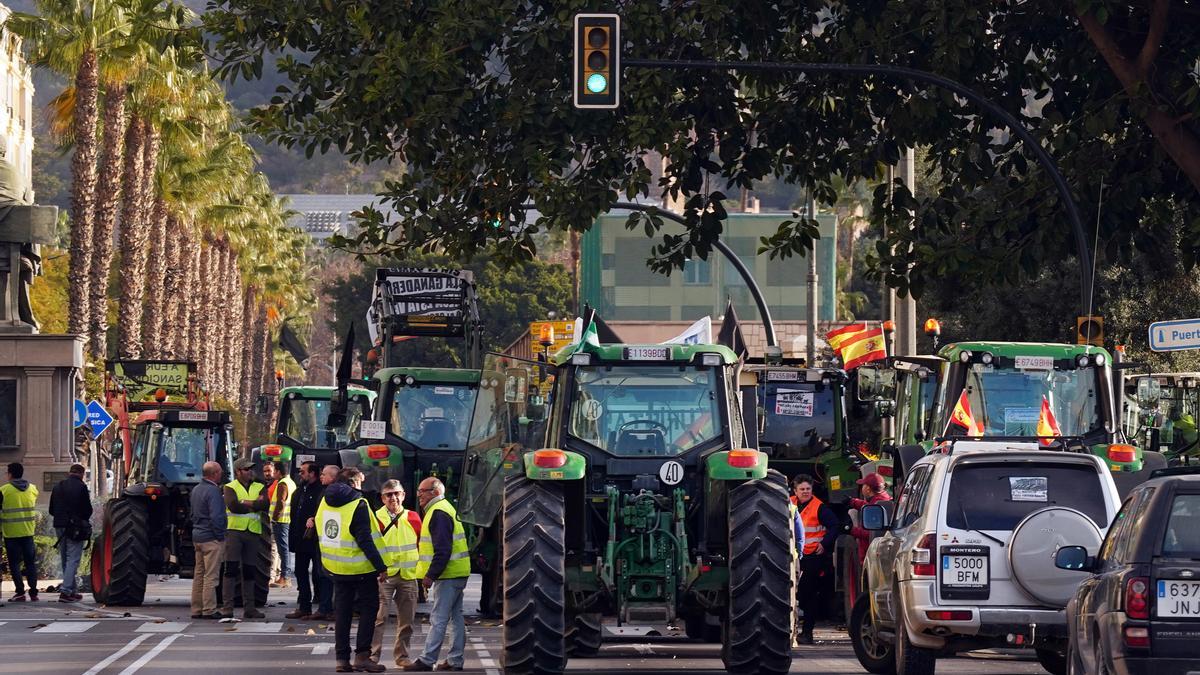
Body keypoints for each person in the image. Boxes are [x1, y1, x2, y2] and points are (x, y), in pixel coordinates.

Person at [319, 467, 388, 673]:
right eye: (360, 482)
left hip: (335, 567)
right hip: (360, 568)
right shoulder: (359, 504)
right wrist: (381, 566)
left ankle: (341, 660)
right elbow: (365, 540)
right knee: (368, 610)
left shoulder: (325, 499)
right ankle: (362, 657)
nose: (362, 486)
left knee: (342, 613)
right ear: (353, 482)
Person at [404, 477, 470, 672]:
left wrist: (430, 575)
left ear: (434, 491)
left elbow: (443, 549)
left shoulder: (438, 512)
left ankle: (427, 660)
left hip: (448, 575)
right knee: (455, 617)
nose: (419, 495)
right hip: (457, 572)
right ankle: (455, 660)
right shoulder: (444, 508)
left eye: (422, 491)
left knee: (439, 618)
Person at [371, 480, 423, 668]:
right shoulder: (375, 518)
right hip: (384, 576)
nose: (393, 498)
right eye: (388, 495)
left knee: (407, 621)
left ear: (403, 495)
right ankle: (372, 656)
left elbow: (422, 546)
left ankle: (402, 656)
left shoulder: (414, 517)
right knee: (379, 618)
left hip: (408, 575)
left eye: (396, 493)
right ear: (382, 498)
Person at [793, 474, 839, 645]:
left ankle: (807, 633)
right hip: (793, 557)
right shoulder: (789, 503)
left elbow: (835, 525)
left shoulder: (819, 507)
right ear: (795, 491)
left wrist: (825, 544)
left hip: (812, 558)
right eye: (802, 489)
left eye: (808, 489)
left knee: (807, 595)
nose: (805, 492)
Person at [222, 457, 270, 620]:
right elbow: (233, 505)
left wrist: (245, 502)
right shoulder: (229, 487)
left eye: (251, 469)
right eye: (246, 469)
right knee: (231, 570)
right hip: (235, 532)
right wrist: (254, 503)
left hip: (253, 533)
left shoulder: (260, 486)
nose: (250, 472)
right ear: (238, 472)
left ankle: (249, 608)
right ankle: (228, 608)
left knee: (250, 571)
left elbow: (265, 505)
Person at [287, 461, 334, 621]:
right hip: (301, 540)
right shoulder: (300, 491)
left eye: (303, 472)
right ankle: (304, 606)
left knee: (320, 574)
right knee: (300, 572)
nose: (300, 474)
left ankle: (323, 606)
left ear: (311, 473)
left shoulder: (322, 491)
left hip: (316, 541)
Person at [49, 463, 92, 602]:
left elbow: (51, 509)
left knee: (65, 559)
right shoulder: (81, 487)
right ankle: (66, 591)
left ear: (70, 472)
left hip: (59, 525)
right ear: (82, 474)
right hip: (75, 527)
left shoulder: (58, 486)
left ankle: (71, 590)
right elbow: (87, 510)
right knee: (73, 559)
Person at [190, 461, 227, 618]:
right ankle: (209, 609)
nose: (221, 474)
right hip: (211, 538)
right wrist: (220, 536)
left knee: (199, 574)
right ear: (214, 474)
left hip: (197, 536)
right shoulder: (213, 492)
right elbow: (217, 517)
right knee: (211, 576)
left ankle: (196, 608)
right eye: (219, 472)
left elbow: (192, 514)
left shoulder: (196, 490)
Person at [1, 462, 39, 601]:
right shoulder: (33, 489)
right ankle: (34, 593)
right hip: (28, 532)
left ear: (10, 474)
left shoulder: (4, 490)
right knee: (30, 564)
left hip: (11, 534)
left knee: (14, 564)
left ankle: (20, 592)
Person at [847, 473, 892, 564]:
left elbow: (871, 533)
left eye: (863, 485)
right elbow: (867, 506)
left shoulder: (876, 507)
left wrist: (851, 530)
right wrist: (853, 502)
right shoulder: (882, 499)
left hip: (871, 556)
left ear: (868, 489)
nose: (861, 488)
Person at [264, 461, 295, 588]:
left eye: (274, 471)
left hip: (281, 521)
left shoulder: (282, 484)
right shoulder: (291, 482)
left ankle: (285, 577)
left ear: (278, 471)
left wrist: (275, 518)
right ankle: (284, 576)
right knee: (283, 549)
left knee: (283, 550)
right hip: (285, 520)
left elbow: (281, 502)